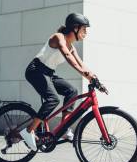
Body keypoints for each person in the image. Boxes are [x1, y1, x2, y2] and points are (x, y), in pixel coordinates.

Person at [20, 13, 96, 151]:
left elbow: (81, 63)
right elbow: (67, 56)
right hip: (35, 70)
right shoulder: (58, 37)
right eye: (84, 29)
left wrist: (94, 77)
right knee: (53, 99)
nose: (86, 33)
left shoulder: (71, 46)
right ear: (75, 28)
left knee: (72, 91)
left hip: (48, 73)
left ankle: (64, 128)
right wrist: (86, 75)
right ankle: (29, 130)